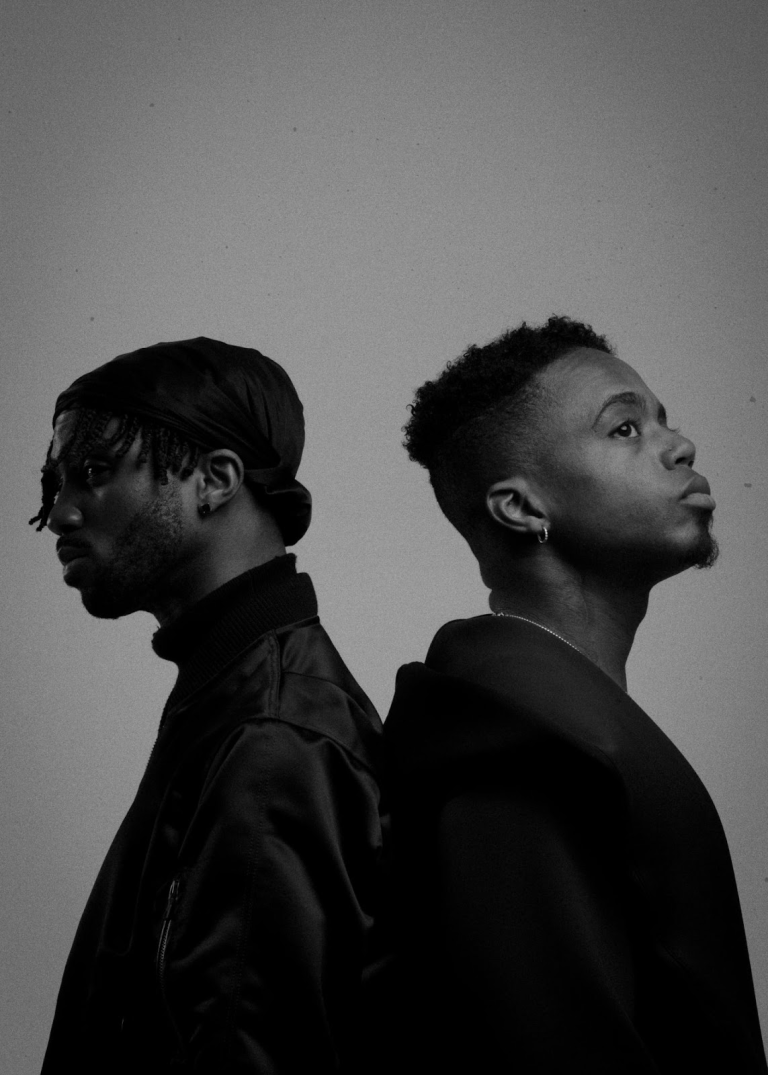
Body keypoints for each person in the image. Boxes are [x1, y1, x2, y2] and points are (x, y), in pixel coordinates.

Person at [384, 317, 767, 1073]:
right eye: (624, 428)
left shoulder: (550, 721)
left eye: (662, 419)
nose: (680, 445)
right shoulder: (521, 746)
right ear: (523, 508)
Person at [32, 337, 389, 1074]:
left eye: (94, 472)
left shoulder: (273, 734)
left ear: (216, 480)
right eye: (56, 483)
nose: (61, 513)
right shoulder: (233, 692)